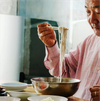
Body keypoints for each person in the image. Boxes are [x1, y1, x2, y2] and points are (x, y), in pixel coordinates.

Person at [37, 0, 100, 100]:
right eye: (88, 12)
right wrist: (51, 45)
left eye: (98, 12)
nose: (92, 20)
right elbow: (62, 71)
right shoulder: (89, 43)